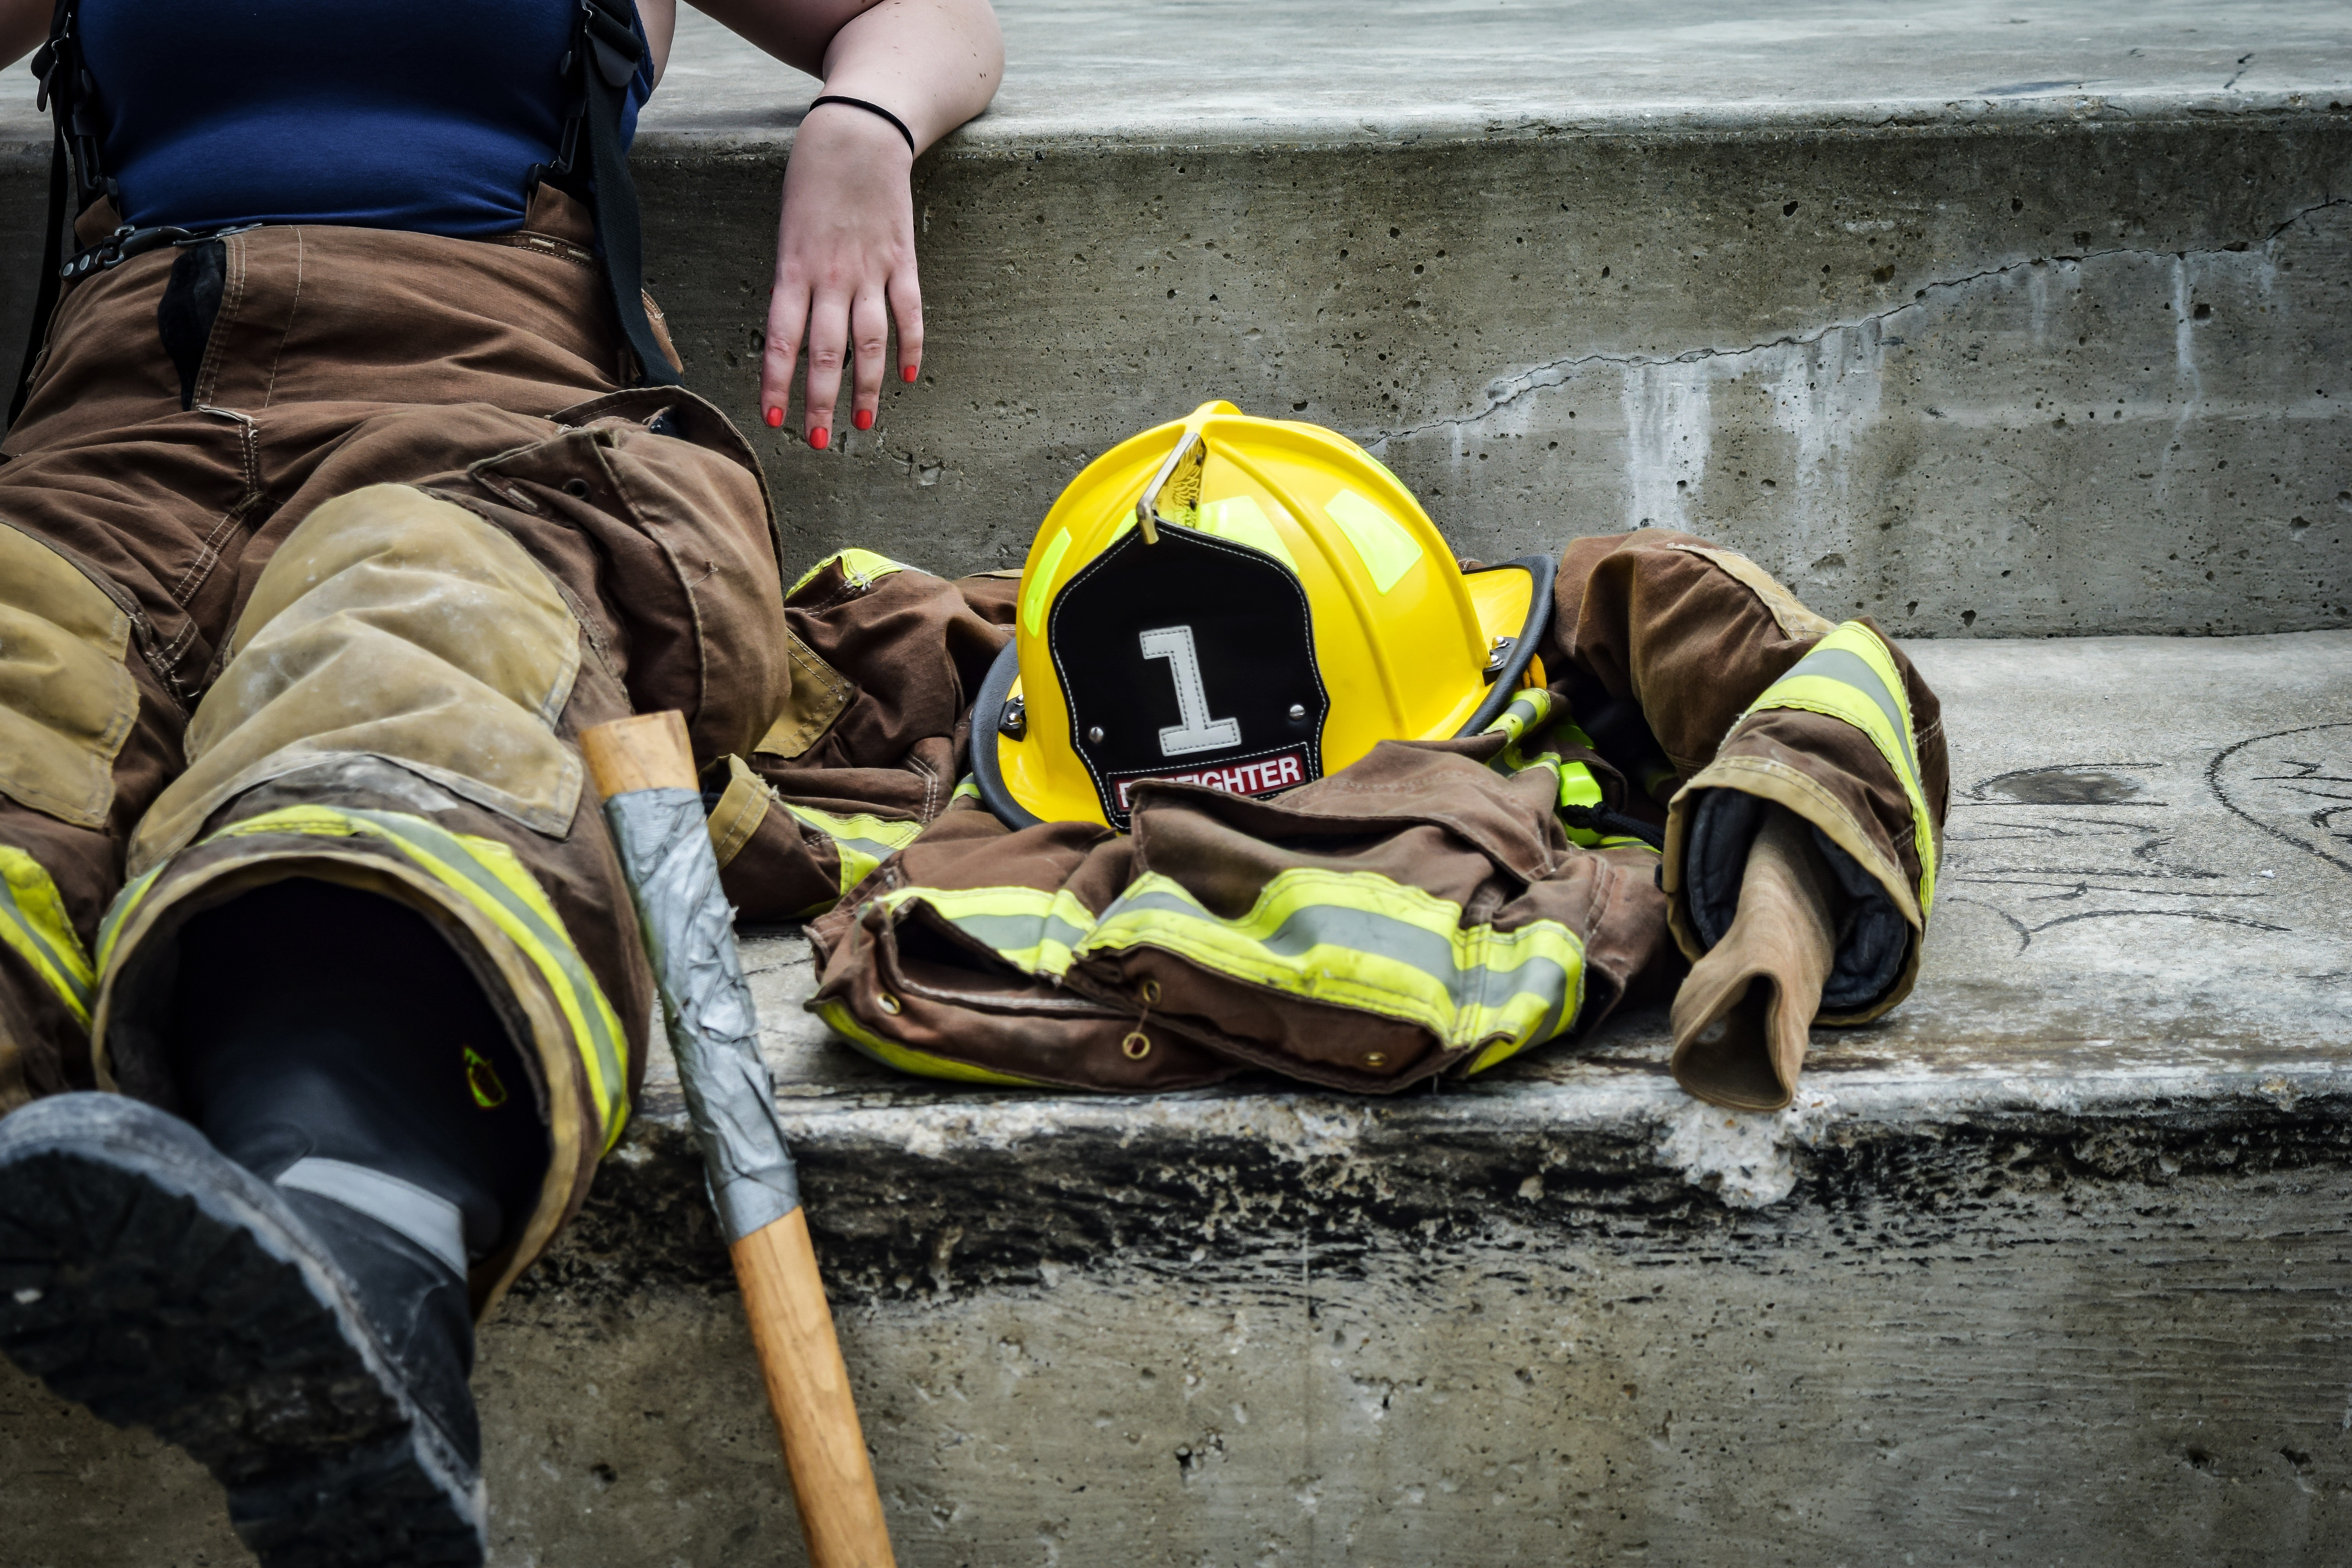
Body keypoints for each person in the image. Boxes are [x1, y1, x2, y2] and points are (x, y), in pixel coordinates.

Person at [0, 2, 1000, 1564]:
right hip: (116, 434)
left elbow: (924, 15)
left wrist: (862, 127)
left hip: (487, 416)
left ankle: (353, 1249)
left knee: (412, 666)